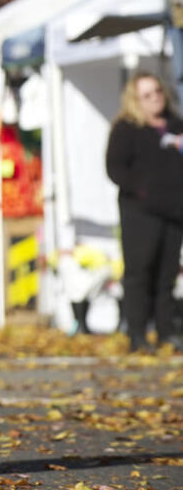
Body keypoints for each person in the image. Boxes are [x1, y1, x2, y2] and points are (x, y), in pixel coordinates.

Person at [104, 71, 183, 353]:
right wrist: (143, 189)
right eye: (147, 95)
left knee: (167, 275)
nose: (155, 99)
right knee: (139, 273)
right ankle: (137, 333)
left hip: (173, 212)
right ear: (136, 100)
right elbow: (115, 168)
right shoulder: (127, 128)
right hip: (141, 213)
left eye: (157, 92)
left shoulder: (175, 124)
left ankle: (166, 332)